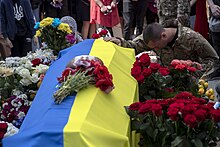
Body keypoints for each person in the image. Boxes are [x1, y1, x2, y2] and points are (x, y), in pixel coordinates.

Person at [105, 23, 219, 79]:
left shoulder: (191, 38)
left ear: (163, 36)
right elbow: (136, 45)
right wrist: (120, 42)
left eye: (156, 47)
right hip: (168, 82)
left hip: (190, 82)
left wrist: (196, 69)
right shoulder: (154, 36)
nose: (154, 50)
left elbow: (214, 60)